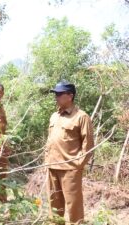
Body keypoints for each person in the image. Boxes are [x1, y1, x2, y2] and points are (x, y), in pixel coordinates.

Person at [45, 81, 94, 224]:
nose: (56, 97)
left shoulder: (81, 116)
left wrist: (78, 164)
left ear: (70, 96)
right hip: (53, 166)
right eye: (56, 94)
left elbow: (88, 146)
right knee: (54, 205)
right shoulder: (54, 116)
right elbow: (50, 139)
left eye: (60, 94)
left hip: (70, 169)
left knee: (74, 206)